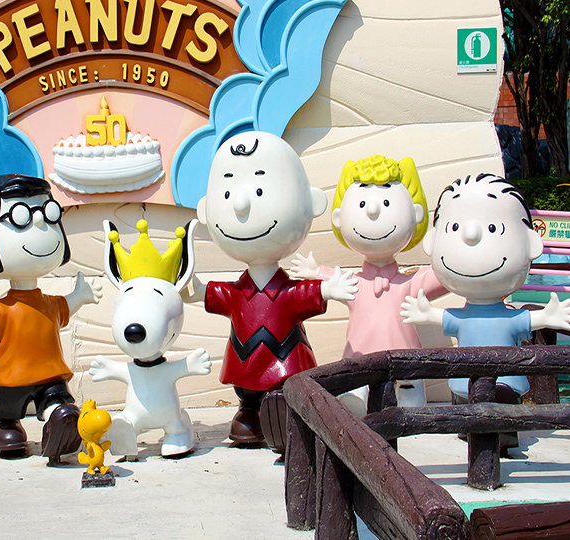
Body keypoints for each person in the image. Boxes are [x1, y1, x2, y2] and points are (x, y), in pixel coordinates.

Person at [186, 131, 357, 454]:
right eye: (227, 193)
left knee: (285, 392)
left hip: (285, 357)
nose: (240, 203)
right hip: (246, 357)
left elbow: (300, 295)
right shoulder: (238, 292)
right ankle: (249, 411)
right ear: (206, 209)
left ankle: (284, 417)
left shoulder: (285, 291)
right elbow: (213, 294)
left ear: (311, 202)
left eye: (260, 190)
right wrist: (190, 289)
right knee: (246, 390)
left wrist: (328, 289)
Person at [0, 174, 102, 462]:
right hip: (10, 378)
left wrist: (80, 296)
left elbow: (63, 309)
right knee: (6, 410)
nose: (40, 223)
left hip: (51, 375)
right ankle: (4, 424)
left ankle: (58, 420)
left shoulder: (47, 303)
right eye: (21, 217)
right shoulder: (5, 308)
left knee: (60, 403)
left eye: (49, 214)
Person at [401, 173, 570, 450]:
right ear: (433, 241)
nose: (470, 234)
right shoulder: (465, 316)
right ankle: (470, 428)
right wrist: (427, 313)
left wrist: (548, 317)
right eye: (454, 227)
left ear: (531, 244)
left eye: (494, 228)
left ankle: (502, 430)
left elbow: (525, 320)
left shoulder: (507, 317)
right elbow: (447, 318)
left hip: (503, 382)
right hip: (464, 380)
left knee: (498, 401)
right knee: (463, 397)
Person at [289, 154, 445, 414]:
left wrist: (451, 257)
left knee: (411, 394)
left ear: (416, 214)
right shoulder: (354, 283)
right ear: (339, 218)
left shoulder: (409, 283)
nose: (372, 210)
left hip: (405, 359)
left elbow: (441, 277)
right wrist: (315, 272)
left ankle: (411, 409)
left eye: (386, 203)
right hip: (359, 358)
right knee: (354, 394)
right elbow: (333, 281)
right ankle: (355, 402)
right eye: (362, 204)